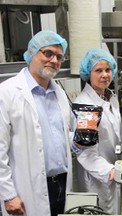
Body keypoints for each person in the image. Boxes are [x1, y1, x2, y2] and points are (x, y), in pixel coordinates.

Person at [0, 30, 73, 216]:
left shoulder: (59, 93)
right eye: (47, 53)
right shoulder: (7, 92)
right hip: (26, 188)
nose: (54, 60)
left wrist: (80, 140)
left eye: (59, 56)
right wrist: (8, 194)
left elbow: (63, 136)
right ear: (32, 53)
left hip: (62, 185)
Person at [72, 48, 121, 214]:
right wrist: (109, 171)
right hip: (96, 177)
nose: (105, 75)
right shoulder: (84, 106)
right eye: (98, 70)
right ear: (88, 73)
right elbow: (84, 152)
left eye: (108, 70)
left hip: (115, 172)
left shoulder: (111, 98)